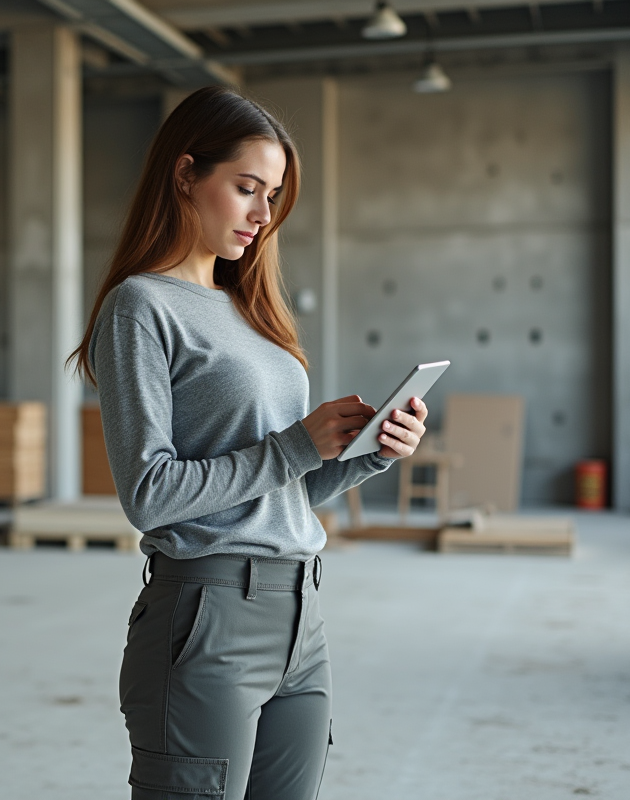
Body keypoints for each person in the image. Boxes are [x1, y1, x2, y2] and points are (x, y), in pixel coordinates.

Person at [68, 86, 428, 799]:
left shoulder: (251, 310)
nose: (264, 215)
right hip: (207, 620)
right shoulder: (141, 306)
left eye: (275, 196)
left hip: (301, 617)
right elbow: (150, 495)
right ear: (185, 176)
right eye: (247, 188)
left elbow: (284, 491)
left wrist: (369, 452)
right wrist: (296, 445)